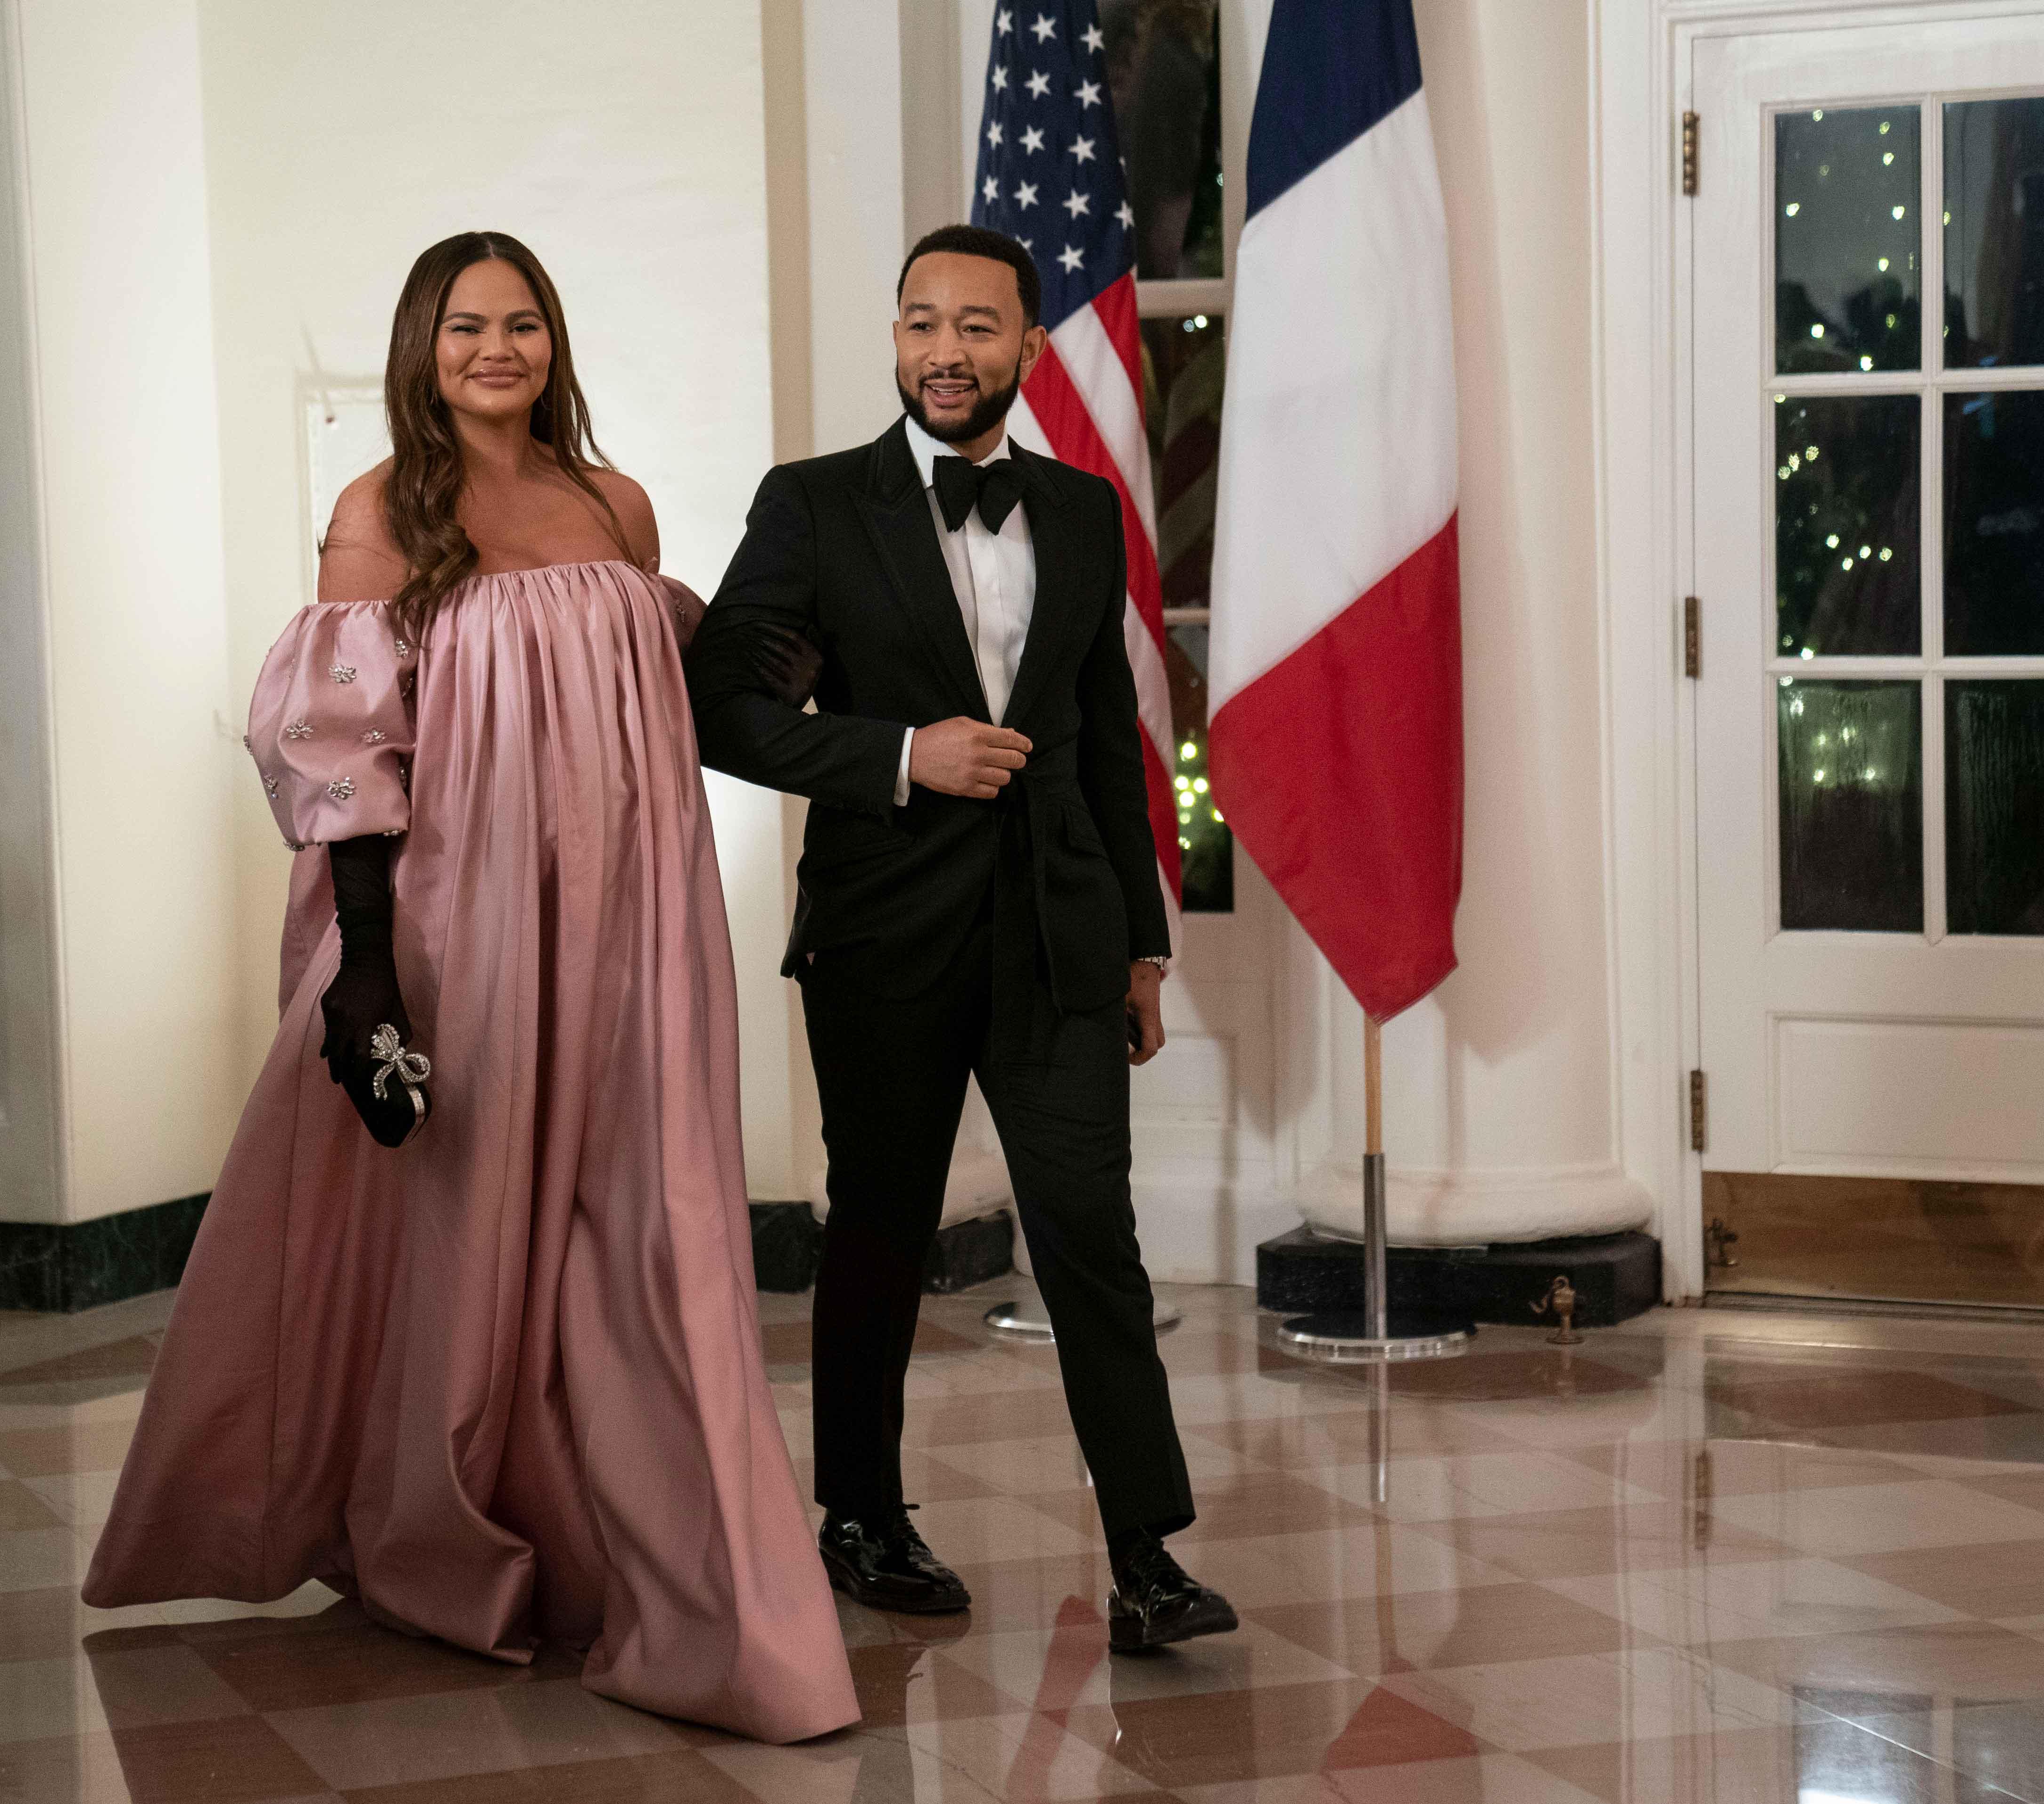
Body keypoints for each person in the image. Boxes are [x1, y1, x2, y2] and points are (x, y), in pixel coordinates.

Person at [81, 231, 857, 1744]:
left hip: (635, 919)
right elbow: (343, 751)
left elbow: (666, 692)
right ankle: (449, 1526)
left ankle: (687, 1575)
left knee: (653, 1216)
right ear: (419, 350)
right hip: (464, 920)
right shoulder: (382, 512)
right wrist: (367, 972)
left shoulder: (616, 506)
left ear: (554, 342)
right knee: (477, 1219)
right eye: (464, 328)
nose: (495, 349)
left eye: (520, 324)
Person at [686, 224, 1237, 1654]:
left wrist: (1140, 943)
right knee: (878, 1235)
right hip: (884, 931)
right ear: (894, 339)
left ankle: (1147, 1554)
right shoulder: (812, 505)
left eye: (978, 326)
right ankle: (860, 1516)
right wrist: (897, 754)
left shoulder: (1078, 508)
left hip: (1057, 938)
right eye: (921, 321)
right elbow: (723, 709)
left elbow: (1107, 740)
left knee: (1090, 1236)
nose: (946, 349)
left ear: (1029, 347)